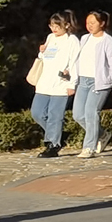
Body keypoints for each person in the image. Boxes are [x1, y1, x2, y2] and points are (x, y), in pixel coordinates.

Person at [29, 11, 82, 158]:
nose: (54, 29)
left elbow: (75, 62)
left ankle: (52, 145)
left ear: (67, 25)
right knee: (37, 113)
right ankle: (58, 135)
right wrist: (42, 51)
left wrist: (72, 83)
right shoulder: (50, 37)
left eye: (57, 26)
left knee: (55, 115)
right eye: (52, 26)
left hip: (61, 83)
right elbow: (45, 58)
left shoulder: (72, 41)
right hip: (44, 82)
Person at [73, 11, 112, 158]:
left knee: (91, 113)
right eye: (87, 23)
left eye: (93, 23)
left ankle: (89, 147)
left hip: (99, 83)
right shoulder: (84, 39)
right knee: (78, 115)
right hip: (83, 80)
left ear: (102, 23)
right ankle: (102, 134)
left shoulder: (108, 41)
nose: (89, 26)